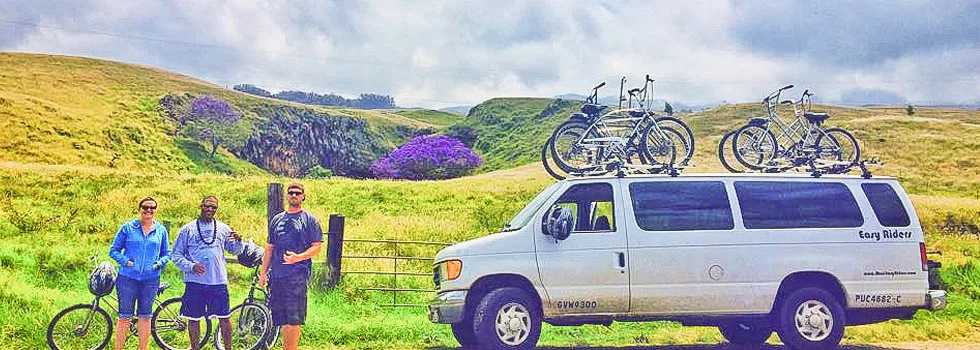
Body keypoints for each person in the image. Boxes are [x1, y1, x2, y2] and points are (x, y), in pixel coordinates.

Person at [171, 196, 244, 350]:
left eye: (213, 207)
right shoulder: (187, 229)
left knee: (224, 318)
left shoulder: (224, 228)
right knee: (193, 318)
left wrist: (238, 241)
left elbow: (235, 251)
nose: (210, 209)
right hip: (195, 282)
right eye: (207, 206)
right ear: (201, 206)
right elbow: (176, 255)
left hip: (218, 281)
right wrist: (191, 266)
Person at [259, 183, 323, 350]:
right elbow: (269, 247)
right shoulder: (277, 219)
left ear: (303, 196)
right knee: (281, 318)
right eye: (291, 192)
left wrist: (298, 258)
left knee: (294, 318)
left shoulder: (309, 220)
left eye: (297, 193)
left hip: (297, 276)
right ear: (287, 196)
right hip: (277, 276)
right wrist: (263, 273)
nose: (294, 195)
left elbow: (317, 247)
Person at [109, 196, 170, 350]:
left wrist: (158, 264)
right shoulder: (128, 228)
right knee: (124, 317)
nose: (149, 210)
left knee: (145, 317)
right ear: (139, 209)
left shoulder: (161, 230)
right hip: (127, 279)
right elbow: (113, 250)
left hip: (150, 280)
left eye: (152, 208)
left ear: (155, 210)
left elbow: (167, 253)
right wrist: (126, 262)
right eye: (145, 207)